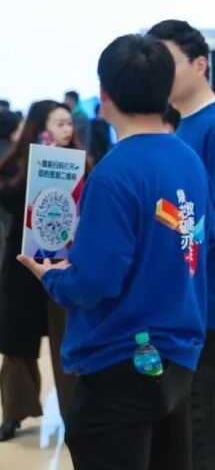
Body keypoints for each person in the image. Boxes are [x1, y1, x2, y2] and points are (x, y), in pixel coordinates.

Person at [17, 35, 211, 470]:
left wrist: (52, 276)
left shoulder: (115, 173)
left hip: (120, 360)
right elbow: (194, 246)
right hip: (177, 356)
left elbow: (95, 282)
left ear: (104, 95)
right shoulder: (188, 160)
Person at [148, 20, 215, 470]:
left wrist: (171, 232)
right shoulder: (185, 125)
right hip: (192, 298)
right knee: (193, 427)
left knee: (207, 425)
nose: (157, 73)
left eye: (166, 62)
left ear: (199, 65)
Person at [0, 100, 84, 441]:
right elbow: (9, 201)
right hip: (21, 265)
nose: (67, 129)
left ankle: (74, 413)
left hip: (64, 265)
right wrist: (39, 169)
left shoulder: (82, 163)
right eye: (59, 123)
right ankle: (14, 412)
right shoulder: (14, 165)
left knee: (67, 340)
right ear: (40, 128)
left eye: (69, 123)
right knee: (16, 342)